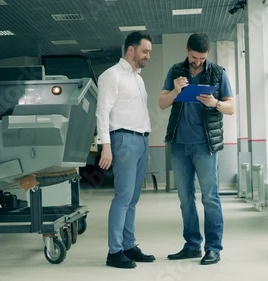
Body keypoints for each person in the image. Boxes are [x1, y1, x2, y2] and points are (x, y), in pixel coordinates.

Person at [159, 33, 235, 265]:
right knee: (185, 198)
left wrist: (215, 103)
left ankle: (213, 248)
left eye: (202, 58)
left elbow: (231, 107)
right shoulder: (175, 72)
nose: (198, 62)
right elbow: (162, 103)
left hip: (205, 146)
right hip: (179, 145)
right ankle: (192, 245)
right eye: (194, 57)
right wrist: (175, 91)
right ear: (187, 50)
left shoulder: (218, 73)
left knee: (210, 197)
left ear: (207, 54)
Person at [96, 31, 156, 269]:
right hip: (122, 140)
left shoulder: (138, 78)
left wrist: (144, 147)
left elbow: (138, 113)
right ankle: (115, 251)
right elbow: (102, 111)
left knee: (133, 199)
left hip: (140, 141)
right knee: (123, 197)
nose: (148, 56)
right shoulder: (111, 76)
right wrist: (106, 147)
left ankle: (129, 246)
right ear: (131, 50)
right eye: (145, 51)